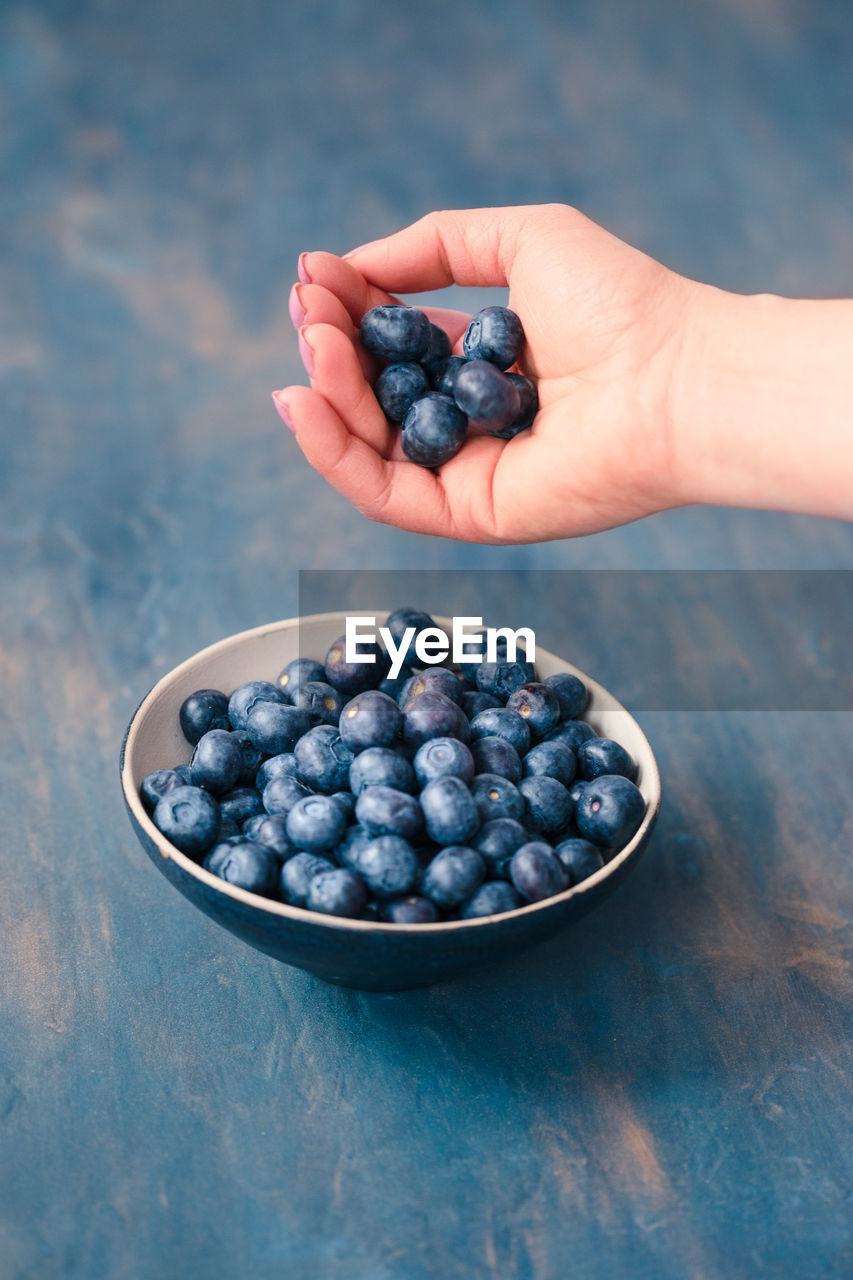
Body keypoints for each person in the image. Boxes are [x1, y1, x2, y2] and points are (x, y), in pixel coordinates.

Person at [272, 204, 852, 543]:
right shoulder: (444, 375)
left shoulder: (476, 381)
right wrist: (676, 377)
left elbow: (482, 385)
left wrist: (670, 367)